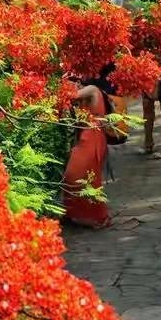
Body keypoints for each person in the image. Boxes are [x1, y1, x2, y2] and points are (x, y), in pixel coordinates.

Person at [62, 83, 112, 229]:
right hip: (88, 136)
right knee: (75, 176)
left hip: (92, 137)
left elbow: (69, 96)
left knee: (81, 176)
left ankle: (100, 217)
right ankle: (72, 213)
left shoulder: (92, 89)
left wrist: (62, 88)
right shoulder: (86, 94)